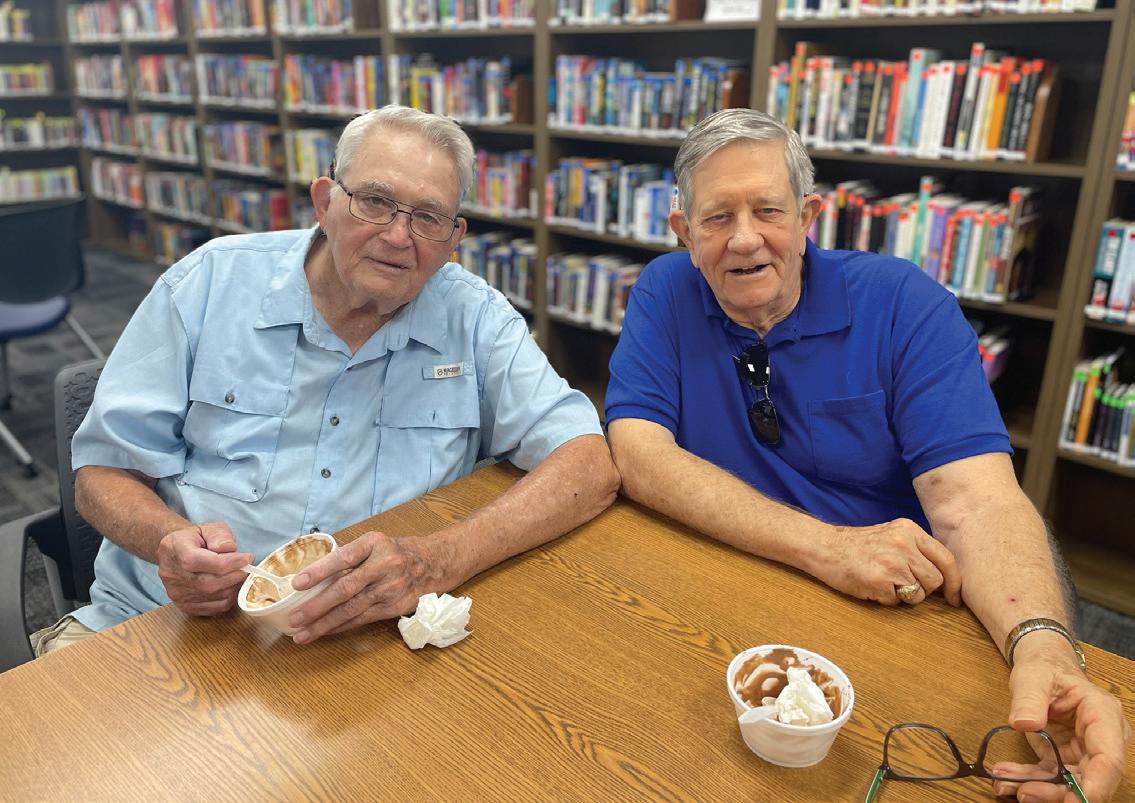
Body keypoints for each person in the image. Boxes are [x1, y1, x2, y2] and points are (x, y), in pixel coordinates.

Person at [605, 108, 1129, 802]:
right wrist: (825, 546)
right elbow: (637, 451)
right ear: (683, 232)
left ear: (808, 215)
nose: (744, 238)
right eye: (716, 218)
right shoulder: (663, 290)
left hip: (893, 614)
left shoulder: (907, 303)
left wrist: (1043, 646)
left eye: (768, 210)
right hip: (733, 595)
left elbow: (977, 503)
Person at [32, 105, 618, 654]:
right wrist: (167, 542)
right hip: (168, 625)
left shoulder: (476, 318)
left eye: (428, 217)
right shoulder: (208, 284)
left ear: (453, 238)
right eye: (375, 202)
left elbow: (588, 464)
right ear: (324, 201)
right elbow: (102, 472)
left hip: (370, 645)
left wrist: (440, 559)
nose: (398, 236)